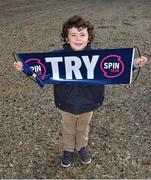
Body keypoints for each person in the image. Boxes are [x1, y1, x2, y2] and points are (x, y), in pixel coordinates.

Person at [14, 15, 147, 168]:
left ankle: (82, 147)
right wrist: (23, 67)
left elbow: (116, 65)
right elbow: (40, 69)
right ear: (66, 38)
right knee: (68, 129)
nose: (78, 38)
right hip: (66, 103)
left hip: (88, 102)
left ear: (89, 38)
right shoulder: (57, 56)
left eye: (82, 35)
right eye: (73, 35)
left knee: (83, 128)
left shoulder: (98, 56)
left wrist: (135, 63)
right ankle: (68, 150)